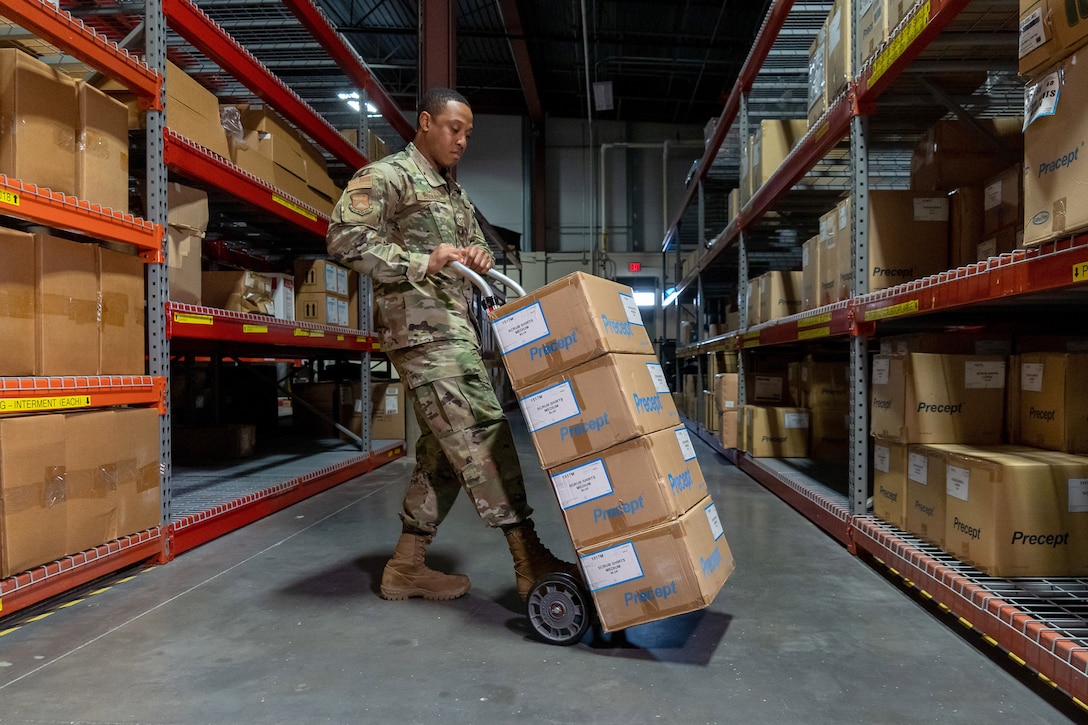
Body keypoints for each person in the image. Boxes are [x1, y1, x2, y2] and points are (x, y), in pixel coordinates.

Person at [327, 87, 579, 603]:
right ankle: (527, 556)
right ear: (425, 123)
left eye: (468, 133)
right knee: (482, 430)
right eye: (453, 128)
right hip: (422, 333)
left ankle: (406, 566)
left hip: (455, 328)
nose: (462, 140)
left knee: (444, 450)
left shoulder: (452, 193)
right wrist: (424, 261)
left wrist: (478, 256)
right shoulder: (388, 175)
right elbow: (345, 239)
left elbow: (474, 244)